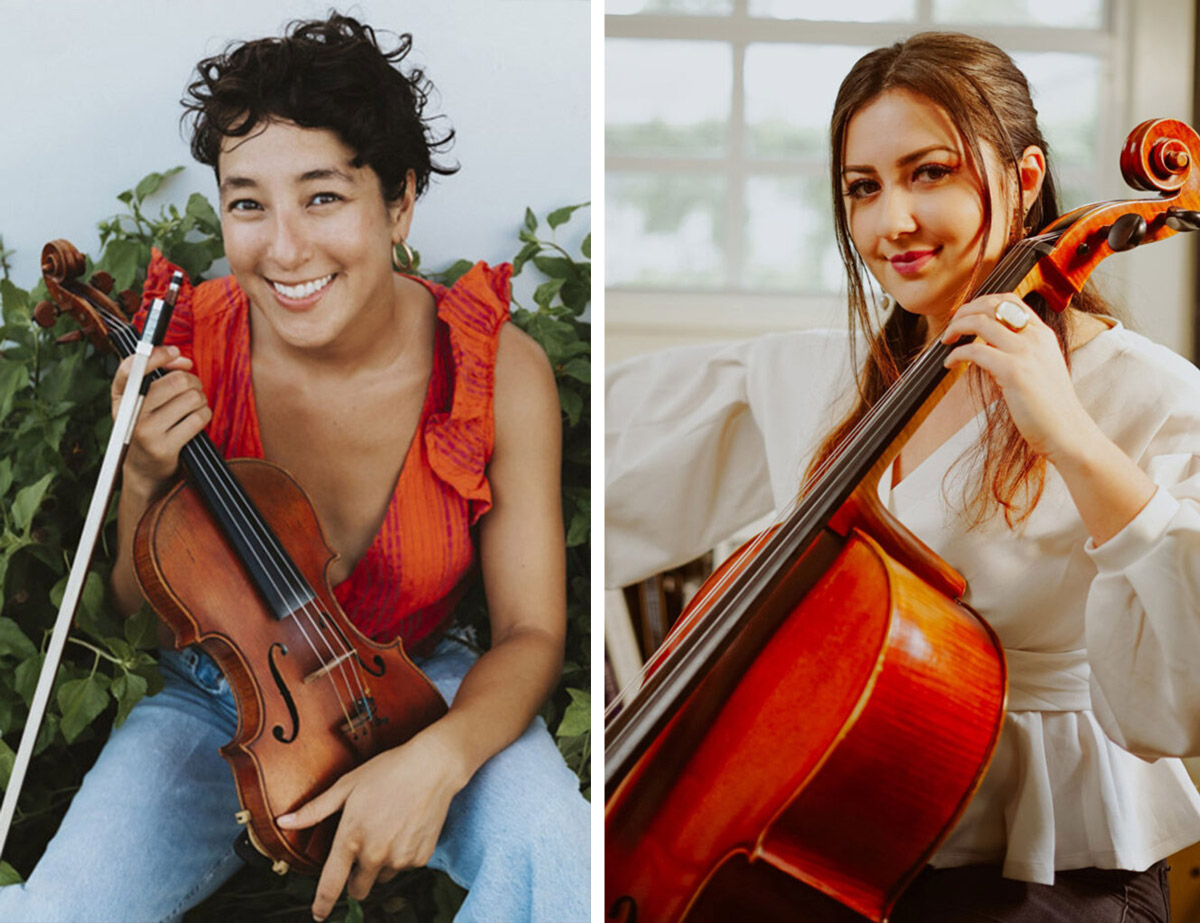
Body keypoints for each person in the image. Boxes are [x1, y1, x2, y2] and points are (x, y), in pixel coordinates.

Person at [0, 14, 588, 923]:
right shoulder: (185, 342)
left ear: (399, 200)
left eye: (321, 197)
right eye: (247, 203)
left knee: (565, 866)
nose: (283, 249)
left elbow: (532, 632)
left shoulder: (495, 368)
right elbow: (131, 603)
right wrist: (146, 475)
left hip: (425, 682)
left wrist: (435, 761)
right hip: (223, 701)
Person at [607, 31, 1200, 921]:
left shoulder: (1148, 390)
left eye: (931, 173)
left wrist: (1071, 436)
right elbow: (605, 453)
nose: (893, 224)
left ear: (1026, 176)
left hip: (1047, 873)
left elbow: (1185, 686)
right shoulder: (821, 374)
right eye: (864, 188)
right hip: (824, 839)